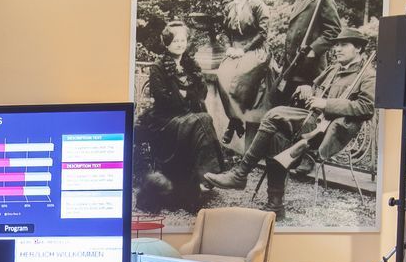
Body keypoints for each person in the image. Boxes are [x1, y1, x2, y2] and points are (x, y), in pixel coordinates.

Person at [202, 27, 375, 214]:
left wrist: (327, 104)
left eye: (344, 45)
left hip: (331, 131)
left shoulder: (367, 75)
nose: (337, 49)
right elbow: (317, 87)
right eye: (337, 45)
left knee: (273, 115)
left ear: (358, 48)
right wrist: (308, 88)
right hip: (314, 121)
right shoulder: (335, 68)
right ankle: (275, 206)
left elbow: (367, 107)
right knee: (276, 137)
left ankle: (240, 173)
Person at [136, 20, 223, 210]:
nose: (180, 44)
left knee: (203, 119)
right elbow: (163, 99)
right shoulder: (158, 67)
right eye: (175, 41)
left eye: (183, 40)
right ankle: (209, 176)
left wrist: (185, 94)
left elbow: (202, 93)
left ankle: (204, 178)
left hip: (189, 115)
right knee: (201, 119)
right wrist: (187, 96)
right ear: (167, 43)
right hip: (165, 118)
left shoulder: (191, 64)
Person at [271, 0, 343, 93]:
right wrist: (283, 60)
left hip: (310, 66)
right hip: (291, 64)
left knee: (304, 103)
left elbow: (334, 30)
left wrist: (313, 50)